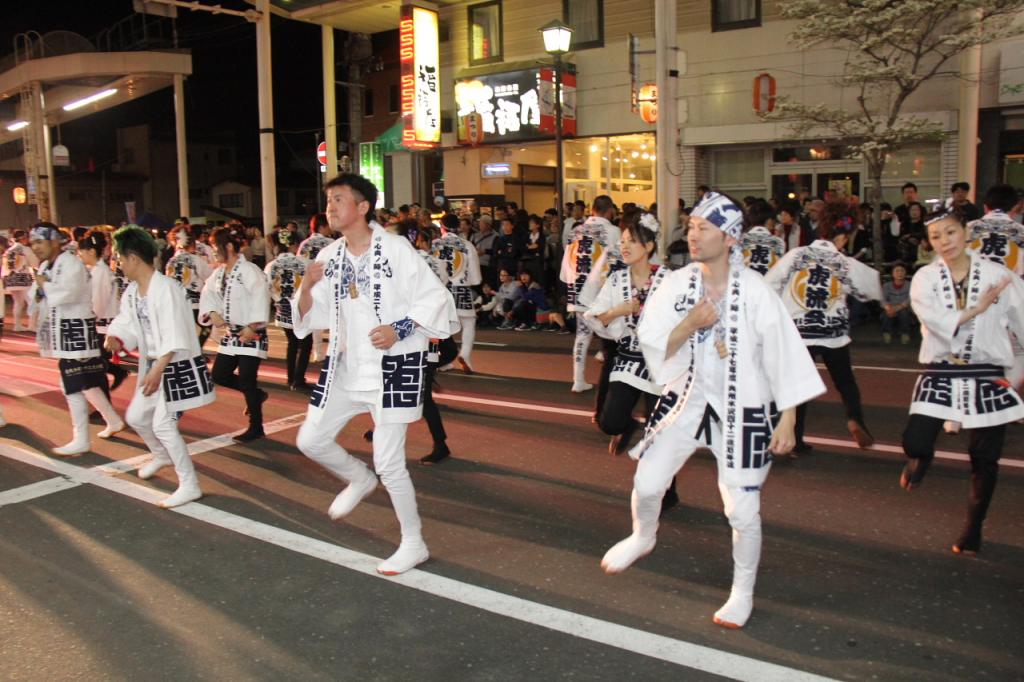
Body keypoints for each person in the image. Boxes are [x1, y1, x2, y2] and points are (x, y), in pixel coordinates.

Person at [600, 192, 825, 629]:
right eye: (692, 226)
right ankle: (643, 535)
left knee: (740, 509)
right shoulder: (679, 282)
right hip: (688, 398)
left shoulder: (756, 292)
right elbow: (652, 341)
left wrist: (789, 417)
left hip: (741, 407)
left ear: (729, 236)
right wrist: (689, 324)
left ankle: (742, 592)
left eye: (704, 227)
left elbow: (785, 353)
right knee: (648, 482)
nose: (694, 233)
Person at [292, 173, 458, 576]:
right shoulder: (329, 256)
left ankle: (413, 542)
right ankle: (358, 479)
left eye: (339, 199)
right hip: (347, 367)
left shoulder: (396, 248)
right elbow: (307, 317)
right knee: (310, 439)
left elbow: (436, 298)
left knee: (390, 463)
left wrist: (398, 329)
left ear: (363, 207)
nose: (330, 207)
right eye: (328, 200)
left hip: (393, 366)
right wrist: (307, 286)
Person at [899, 210, 1024, 555]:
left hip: (986, 371)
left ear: (965, 233)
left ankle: (973, 526)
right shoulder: (925, 277)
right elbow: (933, 319)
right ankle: (921, 458)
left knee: (984, 459)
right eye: (937, 236)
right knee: (915, 441)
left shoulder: (999, 275)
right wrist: (977, 308)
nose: (944, 242)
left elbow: (1023, 319)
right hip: (942, 369)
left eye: (950, 233)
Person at [105, 226, 216, 508]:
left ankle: (189, 484)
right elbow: (127, 321)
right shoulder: (132, 291)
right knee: (137, 417)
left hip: (175, 365)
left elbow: (175, 331)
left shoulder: (166, 288)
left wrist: (159, 367)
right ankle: (162, 455)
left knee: (163, 424)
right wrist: (116, 337)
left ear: (132, 257)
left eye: (119, 257)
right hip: (154, 364)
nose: (117, 262)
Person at [764, 202, 882, 452]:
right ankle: (855, 419)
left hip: (799, 333)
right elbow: (871, 287)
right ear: (842, 237)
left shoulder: (796, 255)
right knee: (845, 382)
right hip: (833, 333)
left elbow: (769, 284)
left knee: (798, 385)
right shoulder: (843, 262)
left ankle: (794, 438)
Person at [28, 223, 123, 455]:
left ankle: (81, 438)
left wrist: (44, 285)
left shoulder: (70, 262)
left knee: (70, 384)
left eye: (39, 242)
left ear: (54, 241)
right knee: (86, 382)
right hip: (66, 330)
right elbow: (36, 295)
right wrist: (40, 288)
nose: (36, 248)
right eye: (33, 243)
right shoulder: (46, 265)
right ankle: (112, 420)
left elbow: (68, 293)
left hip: (77, 329)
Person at [199, 225, 271, 442]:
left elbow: (261, 296)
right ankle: (256, 396)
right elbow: (208, 294)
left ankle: (256, 426)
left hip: (251, 332)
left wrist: (253, 326)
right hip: (232, 334)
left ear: (228, 247)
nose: (213, 252)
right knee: (219, 374)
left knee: (248, 379)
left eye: (215, 247)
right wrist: (212, 312)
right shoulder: (218, 274)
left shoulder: (249, 270)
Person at [560, 195, 621, 393]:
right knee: (614, 329)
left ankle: (578, 380)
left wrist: (569, 282)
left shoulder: (576, 230)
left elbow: (567, 261)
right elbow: (617, 260)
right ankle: (613, 370)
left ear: (592, 209)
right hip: (600, 288)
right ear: (609, 209)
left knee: (583, 334)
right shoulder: (612, 231)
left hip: (577, 286)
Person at [967, 183, 1024, 389]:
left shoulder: (969, 229)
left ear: (985, 207)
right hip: (1007, 304)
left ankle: (956, 415)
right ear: (1016, 208)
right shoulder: (1020, 233)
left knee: (964, 357)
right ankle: (1004, 395)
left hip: (969, 303)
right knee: (1019, 353)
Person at [77, 230, 129, 392]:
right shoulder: (97, 270)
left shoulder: (100, 272)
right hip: (101, 325)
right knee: (96, 365)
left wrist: (88, 321)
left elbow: (98, 303)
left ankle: (104, 400)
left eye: (82, 252)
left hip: (102, 326)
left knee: (94, 366)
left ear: (91, 251)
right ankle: (117, 372)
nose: (80, 256)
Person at [433, 213, 483, 373]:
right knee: (468, 323)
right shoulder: (467, 245)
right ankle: (465, 354)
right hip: (463, 289)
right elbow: (475, 277)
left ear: (442, 226)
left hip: (443, 290)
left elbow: (438, 271)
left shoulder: (439, 244)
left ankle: (444, 360)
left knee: (441, 326)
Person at [265, 229, 312, 390]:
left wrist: (277, 300)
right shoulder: (304, 262)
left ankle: (291, 377)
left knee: (292, 343)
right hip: (301, 309)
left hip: (283, 311)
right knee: (305, 344)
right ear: (292, 244)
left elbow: (268, 288)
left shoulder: (271, 265)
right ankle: (298, 379)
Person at [165, 226, 214, 348]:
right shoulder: (194, 259)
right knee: (207, 325)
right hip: (194, 303)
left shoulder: (171, 261)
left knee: (184, 332)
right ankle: (196, 351)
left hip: (177, 301)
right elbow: (209, 276)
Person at [2, 229, 39, 331]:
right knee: (32, 301)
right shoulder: (25, 249)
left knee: (18, 302)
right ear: (23, 238)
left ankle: (17, 325)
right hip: (23, 279)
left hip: (10, 279)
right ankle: (32, 325)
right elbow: (34, 263)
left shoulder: (9, 250)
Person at [740, 200, 784, 275]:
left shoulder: (740, 240)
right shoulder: (778, 242)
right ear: (769, 220)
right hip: (768, 284)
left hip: (745, 283)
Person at [881, 263, 914, 345]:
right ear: (892, 274)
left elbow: (911, 298)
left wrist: (899, 307)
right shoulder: (886, 286)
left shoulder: (910, 285)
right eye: (897, 271)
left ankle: (905, 334)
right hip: (890, 307)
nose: (900, 273)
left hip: (905, 308)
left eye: (902, 271)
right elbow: (882, 299)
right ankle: (887, 333)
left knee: (904, 313)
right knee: (886, 314)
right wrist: (888, 307)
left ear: (905, 273)